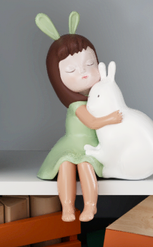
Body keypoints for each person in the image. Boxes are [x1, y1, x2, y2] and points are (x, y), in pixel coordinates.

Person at [34, 12, 122, 219]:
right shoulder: (76, 105)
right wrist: (111, 119)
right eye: (71, 69)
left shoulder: (96, 98)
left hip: (92, 146)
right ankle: (67, 207)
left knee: (85, 165)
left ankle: (91, 206)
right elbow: (91, 122)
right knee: (65, 164)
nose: (83, 73)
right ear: (58, 77)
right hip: (73, 144)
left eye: (90, 65)